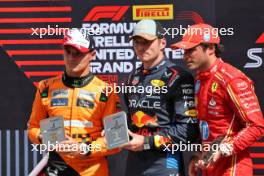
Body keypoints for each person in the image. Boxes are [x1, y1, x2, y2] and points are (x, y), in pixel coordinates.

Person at [171, 23, 264, 176]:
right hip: (209, 167)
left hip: (233, 168)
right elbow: (206, 126)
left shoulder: (231, 78)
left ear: (211, 48)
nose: (185, 56)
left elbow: (257, 126)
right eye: (184, 51)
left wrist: (224, 148)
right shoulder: (199, 80)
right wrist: (197, 155)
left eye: (191, 50)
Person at [27, 28, 120, 176]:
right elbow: (33, 128)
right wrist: (45, 137)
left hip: (92, 170)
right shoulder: (45, 87)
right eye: (68, 51)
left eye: (78, 53)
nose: (71, 57)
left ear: (92, 55)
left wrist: (84, 149)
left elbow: (117, 139)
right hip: (57, 167)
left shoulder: (106, 91)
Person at [122, 19, 200, 176]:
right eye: (137, 42)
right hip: (134, 164)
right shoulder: (132, 77)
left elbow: (188, 130)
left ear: (162, 43)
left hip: (164, 163)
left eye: (147, 42)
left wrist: (146, 142)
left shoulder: (179, 77)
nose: (141, 47)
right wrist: (116, 133)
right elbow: (133, 124)